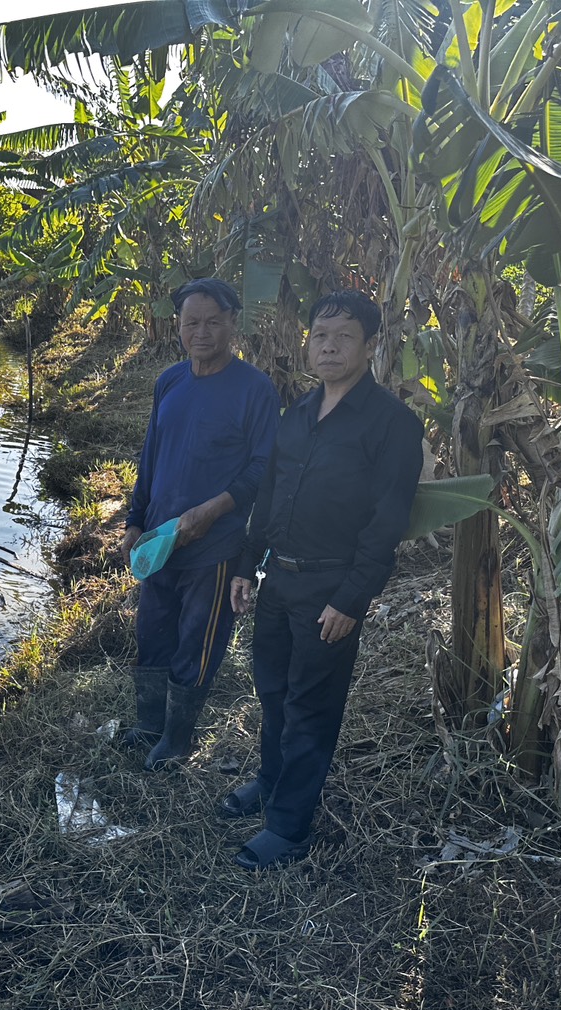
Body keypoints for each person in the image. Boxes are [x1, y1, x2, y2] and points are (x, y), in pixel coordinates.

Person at [223, 289, 423, 869]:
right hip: (278, 579)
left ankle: (289, 827)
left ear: (371, 345)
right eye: (320, 336)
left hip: (330, 588)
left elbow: (387, 521)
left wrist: (351, 599)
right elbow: (269, 496)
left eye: (344, 337)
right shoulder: (297, 415)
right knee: (273, 692)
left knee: (312, 706)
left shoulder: (392, 424)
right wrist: (246, 564)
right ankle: (270, 780)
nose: (329, 347)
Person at [120, 278, 280, 771]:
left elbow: (263, 468)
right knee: (152, 632)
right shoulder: (170, 381)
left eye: (213, 322)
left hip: (215, 545)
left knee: (198, 640)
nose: (202, 332)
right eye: (192, 322)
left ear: (233, 324)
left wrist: (211, 511)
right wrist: (134, 520)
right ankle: (149, 725)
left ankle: (177, 740)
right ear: (178, 326)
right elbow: (152, 456)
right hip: (160, 540)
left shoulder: (255, 389)